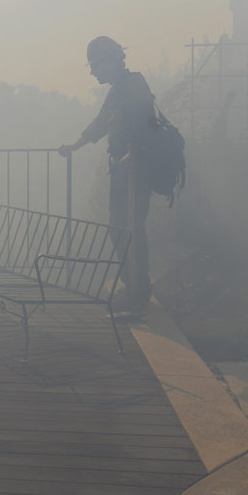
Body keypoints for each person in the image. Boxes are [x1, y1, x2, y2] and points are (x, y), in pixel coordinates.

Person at [58, 36, 155, 314]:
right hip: (122, 168)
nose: (92, 72)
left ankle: (138, 293)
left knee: (131, 228)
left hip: (135, 169)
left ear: (111, 62)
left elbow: (147, 122)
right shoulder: (117, 91)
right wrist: (75, 145)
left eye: (95, 65)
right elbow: (101, 123)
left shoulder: (134, 85)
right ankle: (133, 286)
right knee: (119, 227)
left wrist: (134, 153)